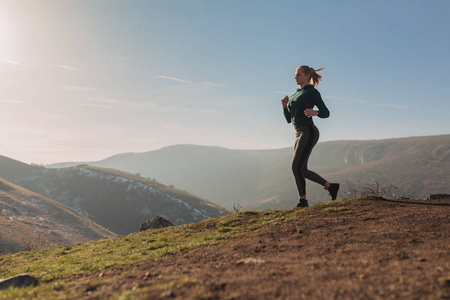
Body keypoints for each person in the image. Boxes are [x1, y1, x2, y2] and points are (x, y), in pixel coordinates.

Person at [281, 65, 339, 208]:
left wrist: (316, 112)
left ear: (307, 76)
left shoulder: (312, 92)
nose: (295, 77)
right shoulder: (295, 95)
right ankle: (330, 186)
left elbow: (326, 112)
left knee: (295, 167)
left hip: (308, 131)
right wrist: (284, 106)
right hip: (298, 133)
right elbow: (290, 120)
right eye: (295, 75)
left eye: (298, 75)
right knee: (302, 169)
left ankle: (303, 201)